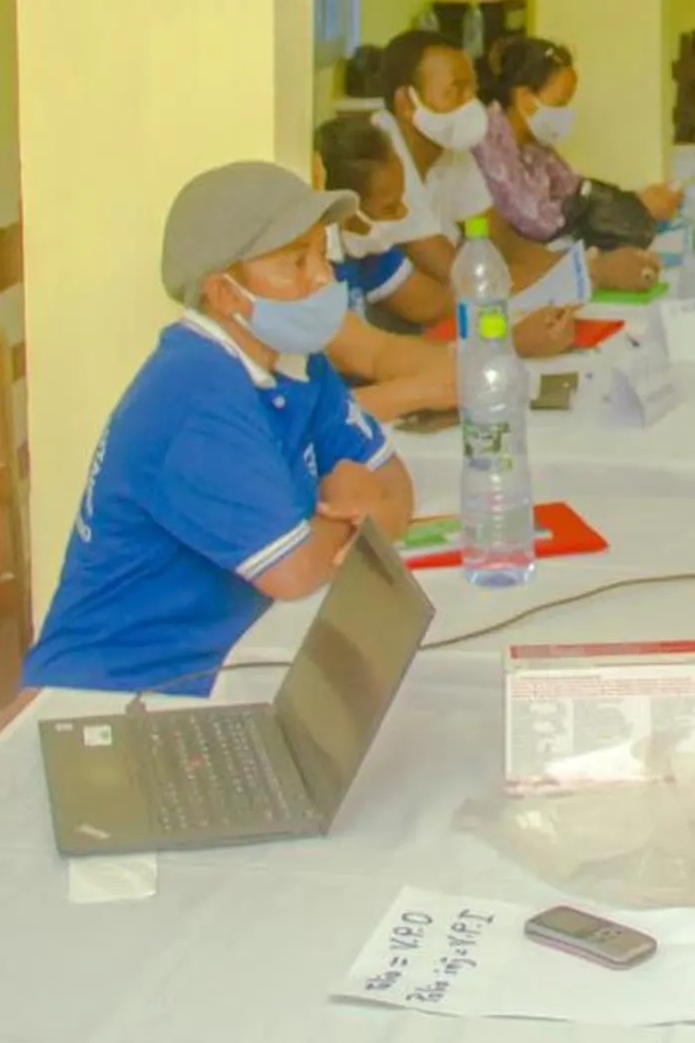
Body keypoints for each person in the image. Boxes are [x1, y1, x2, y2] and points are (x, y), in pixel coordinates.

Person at [24, 162, 416, 696]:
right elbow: (296, 572)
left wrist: (373, 513)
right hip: (116, 689)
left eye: (321, 253)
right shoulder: (192, 394)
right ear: (225, 293)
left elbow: (395, 486)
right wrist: (362, 521)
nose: (323, 278)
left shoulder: (296, 360)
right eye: (296, 262)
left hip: (225, 661)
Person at [315, 113, 583, 367]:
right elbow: (378, 358)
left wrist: (533, 308)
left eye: (403, 200)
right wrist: (509, 342)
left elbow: (440, 303)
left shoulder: (371, 253)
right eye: (389, 207)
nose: (404, 214)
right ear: (343, 207)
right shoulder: (317, 275)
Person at [475, 35, 680, 259]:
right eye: (559, 104)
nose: (565, 115)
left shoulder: (534, 145)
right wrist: (635, 209)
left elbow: (573, 187)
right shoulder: (488, 139)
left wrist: (635, 199)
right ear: (524, 96)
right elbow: (537, 221)